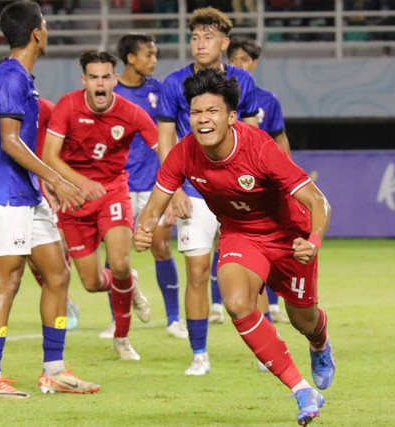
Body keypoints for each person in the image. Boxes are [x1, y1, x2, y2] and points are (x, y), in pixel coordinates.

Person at [135, 68, 334, 425]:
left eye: (212, 112)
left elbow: (318, 201)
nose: (203, 120)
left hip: (289, 237)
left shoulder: (259, 147)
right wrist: (144, 228)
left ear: (230, 116)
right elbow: (154, 206)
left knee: (302, 319)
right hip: (240, 235)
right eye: (196, 112)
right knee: (237, 303)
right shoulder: (183, 153)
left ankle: (319, 343)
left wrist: (314, 240)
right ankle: (302, 389)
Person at [0, 0, 98, 398]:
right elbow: (10, 141)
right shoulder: (11, 77)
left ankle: (55, 370)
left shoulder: (20, 76)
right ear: (36, 33)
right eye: (44, 24)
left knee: (57, 273)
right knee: (7, 280)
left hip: (25, 191)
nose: (47, 30)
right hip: (5, 194)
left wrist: (43, 183)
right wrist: (57, 181)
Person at [155, 6, 259, 376]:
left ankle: (265, 351)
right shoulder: (173, 83)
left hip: (238, 191)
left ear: (224, 43)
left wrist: (255, 187)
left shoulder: (242, 83)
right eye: (195, 37)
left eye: (209, 37)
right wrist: (174, 188)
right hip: (194, 190)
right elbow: (165, 138)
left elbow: (253, 137)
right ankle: (199, 354)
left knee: (251, 272)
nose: (200, 44)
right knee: (198, 270)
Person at [42, 50, 157, 361]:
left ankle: (122, 339)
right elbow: (49, 157)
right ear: (84, 81)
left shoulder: (132, 113)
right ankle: (129, 283)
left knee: (118, 263)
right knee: (92, 283)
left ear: (115, 80)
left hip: (113, 193)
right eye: (94, 77)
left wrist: (176, 190)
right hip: (75, 198)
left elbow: (163, 147)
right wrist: (80, 182)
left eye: (106, 76)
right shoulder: (68, 105)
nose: (100, 83)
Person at [97, 33, 187, 340]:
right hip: (118, 184)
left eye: (155, 54)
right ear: (130, 58)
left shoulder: (160, 90)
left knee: (161, 247)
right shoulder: (108, 90)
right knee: (115, 257)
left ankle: (174, 318)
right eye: (148, 54)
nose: (154, 60)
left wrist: (175, 187)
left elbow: (170, 138)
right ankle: (116, 320)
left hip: (154, 186)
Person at [0, 99, 81, 332]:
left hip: (41, 187)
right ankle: (64, 304)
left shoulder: (43, 107)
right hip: (8, 193)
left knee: (58, 261)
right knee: (18, 271)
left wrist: (57, 176)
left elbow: (61, 139)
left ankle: (55, 358)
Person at [223, 35, 292, 327]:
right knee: (230, 243)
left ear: (255, 64)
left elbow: (279, 139)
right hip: (229, 180)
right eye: (234, 59)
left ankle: (272, 304)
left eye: (245, 60)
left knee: (271, 244)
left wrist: (286, 176)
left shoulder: (267, 100)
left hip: (263, 182)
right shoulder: (219, 98)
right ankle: (222, 302)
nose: (239, 64)